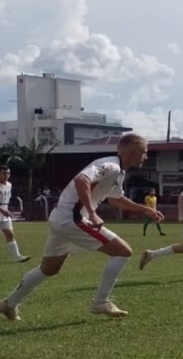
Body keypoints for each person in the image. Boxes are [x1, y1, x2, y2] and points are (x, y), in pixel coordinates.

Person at [0, 133, 162, 321]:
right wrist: (92, 213)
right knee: (123, 251)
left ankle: (8, 304)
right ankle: (101, 301)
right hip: (73, 219)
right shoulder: (111, 165)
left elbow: (116, 199)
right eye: (144, 152)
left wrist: (145, 210)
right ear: (132, 151)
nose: (146, 156)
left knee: (49, 268)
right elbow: (81, 180)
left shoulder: (118, 171)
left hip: (62, 218)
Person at [0, 165, 30, 263]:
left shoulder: (9, 185)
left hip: (5, 211)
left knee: (10, 234)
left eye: (8, 173)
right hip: (2, 210)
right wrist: (3, 210)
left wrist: (6, 210)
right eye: (4, 173)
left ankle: (17, 256)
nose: (6, 175)